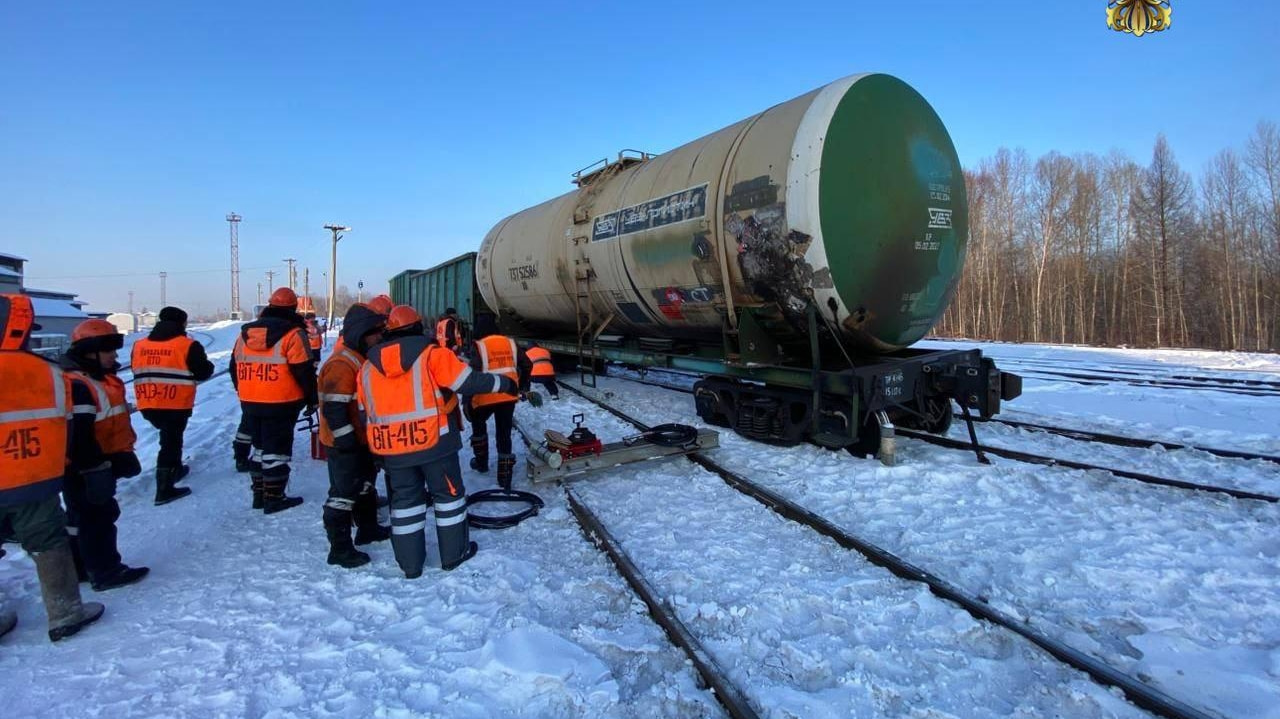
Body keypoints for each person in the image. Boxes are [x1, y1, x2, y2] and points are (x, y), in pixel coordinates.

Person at [357, 305, 516, 578]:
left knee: (405, 504)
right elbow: (467, 382)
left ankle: (410, 565)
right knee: (448, 498)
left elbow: (365, 412)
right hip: (435, 444)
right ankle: (454, 556)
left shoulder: (368, 368)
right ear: (419, 327)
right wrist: (504, 384)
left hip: (394, 450)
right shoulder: (432, 356)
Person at [0, 295, 105, 642]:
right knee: (47, 542)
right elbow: (70, 423)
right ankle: (65, 613)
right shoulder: (48, 373)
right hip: (31, 477)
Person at [60, 319, 150, 591]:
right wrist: (95, 466)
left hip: (87, 462)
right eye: (108, 349)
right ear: (90, 351)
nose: (114, 355)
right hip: (87, 465)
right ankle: (105, 570)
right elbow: (79, 435)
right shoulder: (80, 385)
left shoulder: (92, 379)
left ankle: (81, 567)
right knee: (97, 517)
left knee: (79, 517)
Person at [229, 287, 318, 514]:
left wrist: (245, 390)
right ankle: (274, 498)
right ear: (293, 308)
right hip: (282, 401)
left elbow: (233, 367)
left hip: (250, 400)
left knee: (259, 448)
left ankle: (259, 494)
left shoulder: (245, 334)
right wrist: (313, 399)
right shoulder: (293, 334)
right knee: (276, 450)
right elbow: (303, 371)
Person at [319, 304, 391, 568]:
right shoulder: (342, 363)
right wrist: (347, 440)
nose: (380, 337)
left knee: (365, 486)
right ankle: (339, 549)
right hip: (344, 444)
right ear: (361, 333)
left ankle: (368, 529)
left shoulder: (359, 359)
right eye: (375, 333)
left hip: (360, 440)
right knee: (343, 494)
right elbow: (334, 408)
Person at [131, 305, 215, 504]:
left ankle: (174, 469)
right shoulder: (186, 345)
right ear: (182, 323)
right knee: (171, 441)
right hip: (175, 401)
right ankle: (164, 489)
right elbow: (203, 371)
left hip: (147, 400)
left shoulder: (140, 345)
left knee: (168, 438)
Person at [467, 314, 532, 490]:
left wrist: (467, 402)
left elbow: (471, 376)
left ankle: (481, 463)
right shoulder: (510, 343)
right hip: (508, 396)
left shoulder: (479, 346)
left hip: (484, 397)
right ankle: (505, 477)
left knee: (478, 426)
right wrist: (523, 385)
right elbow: (527, 364)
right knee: (503, 434)